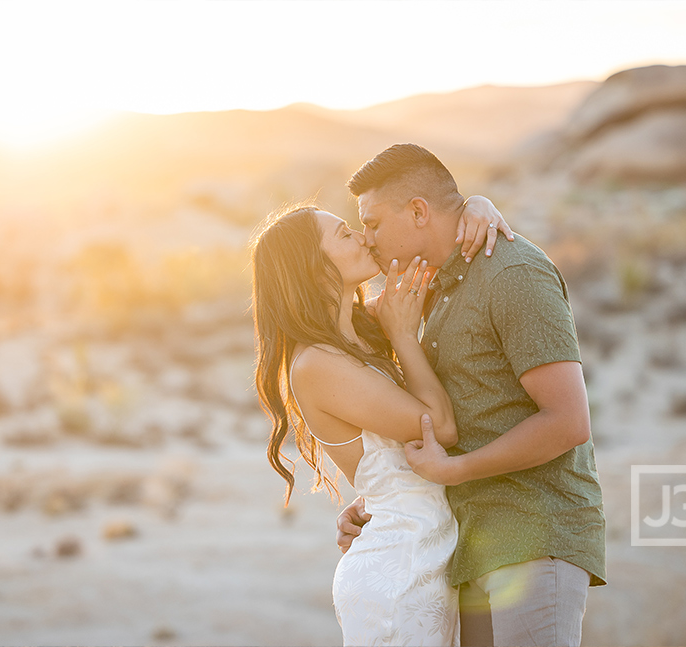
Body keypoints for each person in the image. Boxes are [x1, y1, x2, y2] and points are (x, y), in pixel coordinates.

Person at [337, 143, 606, 647]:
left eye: (372, 223)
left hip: (534, 533)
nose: (367, 239)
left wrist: (456, 470)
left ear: (418, 211)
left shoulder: (512, 273)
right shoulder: (433, 286)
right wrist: (377, 501)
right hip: (470, 544)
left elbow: (568, 421)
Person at [250, 197, 510, 646]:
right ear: (314, 268)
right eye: (343, 234)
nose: (360, 235)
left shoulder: (361, 329)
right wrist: (405, 337)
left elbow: (436, 253)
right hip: (397, 569)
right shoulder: (315, 363)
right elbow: (440, 427)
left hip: (429, 557)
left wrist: (477, 205)